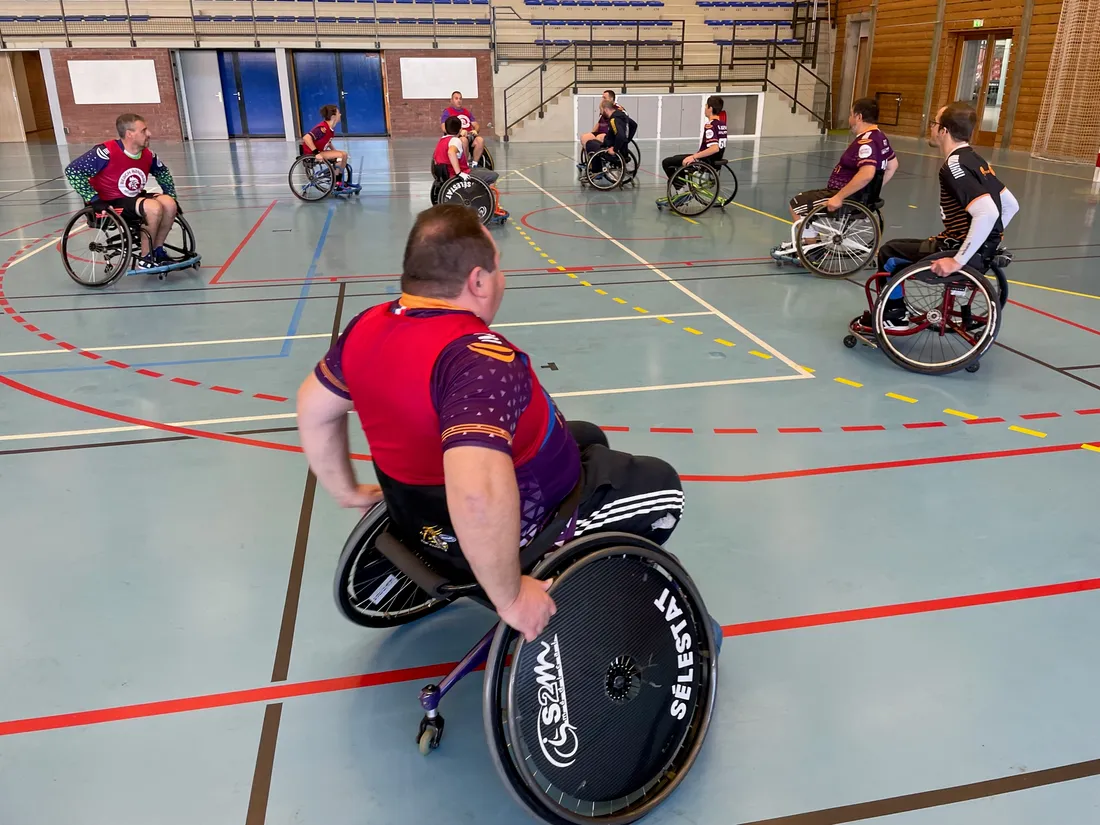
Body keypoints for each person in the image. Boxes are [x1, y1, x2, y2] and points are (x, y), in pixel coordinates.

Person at [295, 204, 685, 642]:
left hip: (420, 520)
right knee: (662, 485)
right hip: (513, 527)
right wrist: (511, 598)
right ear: (477, 281)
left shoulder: (368, 325)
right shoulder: (478, 358)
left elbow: (313, 409)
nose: (503, 278)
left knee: (589, 436)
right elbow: (476, 493)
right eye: (498, 267)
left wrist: (347, 492)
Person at [869, 100, 1020, 328]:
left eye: (934, 123)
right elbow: (1010, 205)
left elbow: (988, 212)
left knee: (889, 253)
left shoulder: (954, 165)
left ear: (944, 131)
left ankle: (895, 316)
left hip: (956, 248)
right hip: (974, 250)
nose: (932, 127)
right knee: (902, 246)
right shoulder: (976, 160)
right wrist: (987, 243)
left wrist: (958, 260)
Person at [772, 97, 898, 259]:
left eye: (851, 114)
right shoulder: (880, 137)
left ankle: (813, 250)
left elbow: (867, 174)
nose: (849, 118)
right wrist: (872, 192)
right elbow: (893, 166)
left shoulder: (866, 142)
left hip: (845, 195)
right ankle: (812, 242)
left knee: (796, 204)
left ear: (859, 117)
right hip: (858, 196)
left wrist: (840, 197)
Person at [63, 113, 180, 269]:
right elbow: (73, 171)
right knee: (153, 207)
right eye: (144, 131)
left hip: (133, 198)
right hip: (110, 202)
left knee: (169, 203)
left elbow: (163, 173)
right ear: (130, 134)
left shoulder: (148, 155)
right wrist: (93, 198)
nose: (149, 134)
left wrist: (170, 194)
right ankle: (146, 257)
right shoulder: (105, 152)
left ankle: (157, 250)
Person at [656, 95, 727, 209]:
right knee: (676, 158)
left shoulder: (710, 125)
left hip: (705, 162)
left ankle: (682, 191)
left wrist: (694, 157)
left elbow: (714, 148)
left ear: (710, 108)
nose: (705, 109)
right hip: (714, 162)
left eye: (706, 106)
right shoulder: (722, 125)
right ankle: (683, 188)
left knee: (667, 162)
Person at [433, 115, 507, 220]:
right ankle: (487, 207)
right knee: (493, 175)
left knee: (482, 170)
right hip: (457, 176)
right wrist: (459, 173)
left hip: (446, 175)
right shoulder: (455, 141)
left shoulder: (441, 141)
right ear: (460, 130)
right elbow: (451, 152)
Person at [300, 104, 349, 190]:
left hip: (321, 151)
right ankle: (336, 181)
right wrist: (316, 153)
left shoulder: (330, 128)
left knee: (344, 154)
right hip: (312, 153)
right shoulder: (322, 128)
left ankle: (338, 179)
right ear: (333, 117)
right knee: (341, 155)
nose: (340, 114)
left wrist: (336, 152)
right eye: (338, 113)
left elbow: (328, 143)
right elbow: (306, 138)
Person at [582, 99, 632, 183]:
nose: (601, 113)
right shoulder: (622, 115)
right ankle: (595, 167)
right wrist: (627, 140)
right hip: (622, 149)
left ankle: (596, 171)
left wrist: (615, 149)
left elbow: (620, 135)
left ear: (605, 109)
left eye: (601, 110)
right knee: (594, 141)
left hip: (612, 151)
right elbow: (634, 125)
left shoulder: (613, 119)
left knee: (589, 143)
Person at [441, 91, 484, 166]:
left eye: (460, 99)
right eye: (456, 98)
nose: (459, 100)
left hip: (469, 135)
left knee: (480, 140)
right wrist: (459, 132)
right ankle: (465, 164)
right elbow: (444, 128)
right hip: (457, 136)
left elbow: (476, 124)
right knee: (463, 140)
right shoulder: (447, 112)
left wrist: (475, 130)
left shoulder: (467, 112)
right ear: (451, 100)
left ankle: (475, 163)